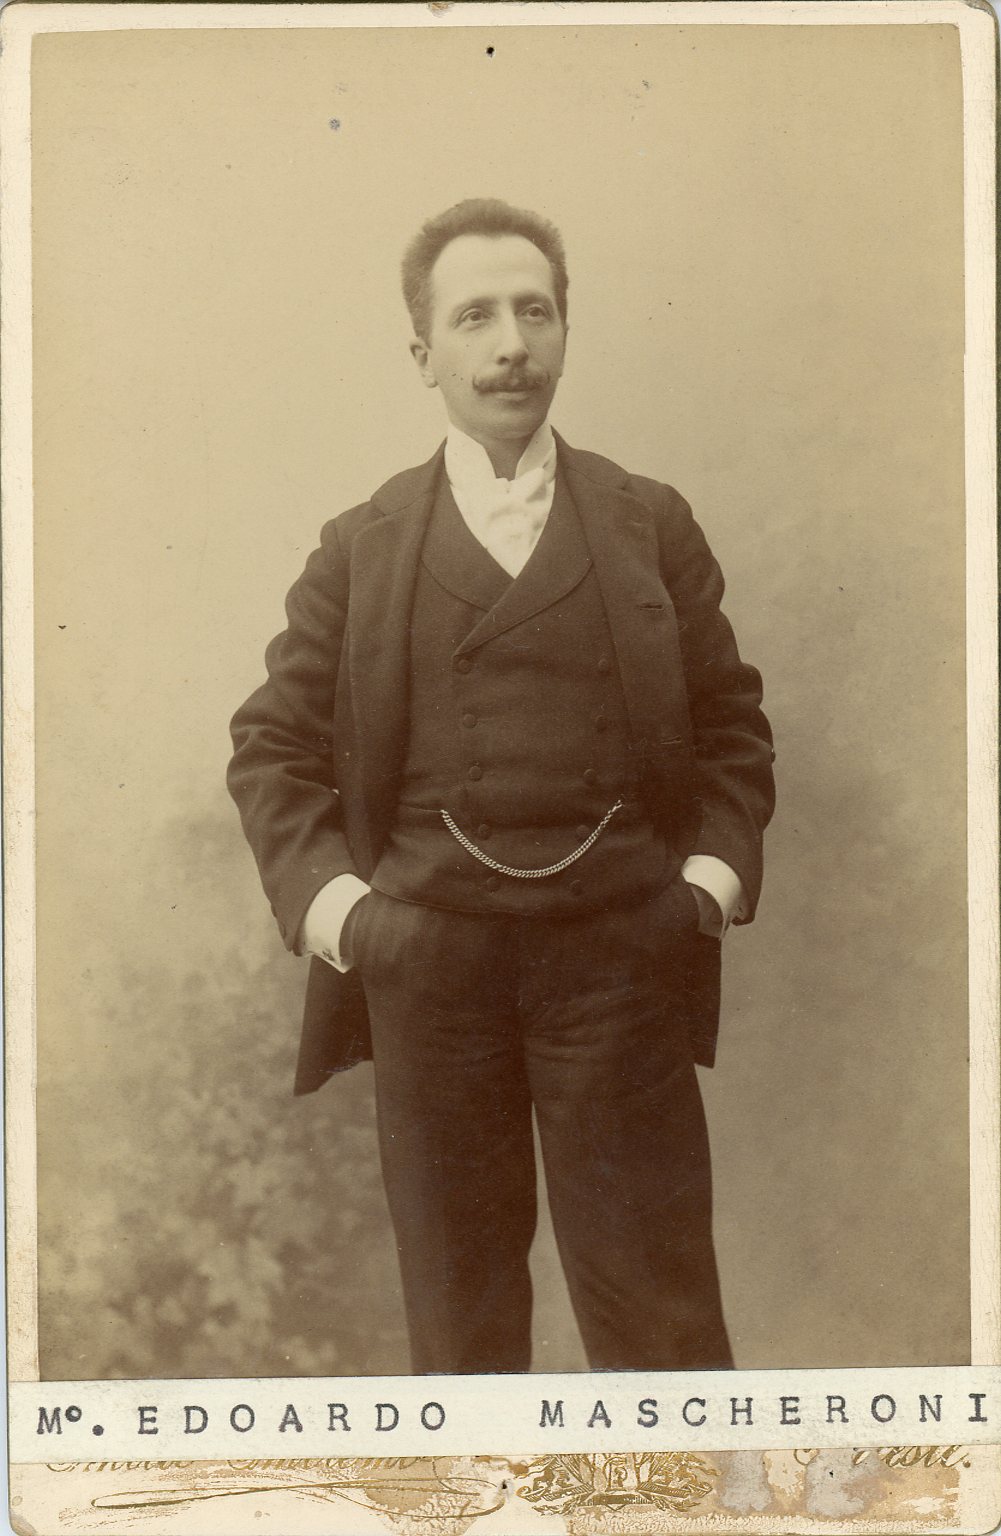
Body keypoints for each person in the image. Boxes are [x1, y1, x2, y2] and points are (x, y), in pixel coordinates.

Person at [228, 198, 775, 1375]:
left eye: (535, 312)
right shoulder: (362, 545)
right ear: (423, 354)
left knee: (662, 1325)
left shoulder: (647, 523)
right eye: (474, 317)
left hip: (618, 965)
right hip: (428, 975)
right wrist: (350, 921)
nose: (511, 344)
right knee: (461, 1327)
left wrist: (701, 891)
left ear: (565, 332)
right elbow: (271, 745)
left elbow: (730, 726)